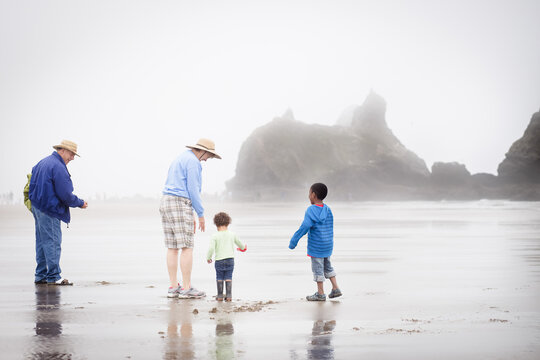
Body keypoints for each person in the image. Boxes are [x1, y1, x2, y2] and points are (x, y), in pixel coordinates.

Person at [160, 138, 221, 298]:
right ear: (202, 151)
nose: (208, 159)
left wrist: (191, 212)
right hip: (180, 203)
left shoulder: (181, 157)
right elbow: (193, 189)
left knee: (172, 247)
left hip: (166, 202)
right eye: (209, 155)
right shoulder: (194, 162)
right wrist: (200, 214)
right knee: (187, 247)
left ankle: (174, 287)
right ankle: (186, 288)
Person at [29, 140, 88, 285]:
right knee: (52, 242)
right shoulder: (58, 167)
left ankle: (40, 275)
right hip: (50, 209)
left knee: (42, 242)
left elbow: (30, 184)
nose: (73, 158)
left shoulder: (42, 163)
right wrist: (80, 203)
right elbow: (65, 195)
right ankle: (54, 277)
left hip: (38, 207)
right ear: (62, 150)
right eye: (72, 154)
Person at [289, 183, 342, 301]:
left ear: (313, 195)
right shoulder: (328, 209)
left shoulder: (311, 210)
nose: (308, 196)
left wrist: (294, 241)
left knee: (318, 269)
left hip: (317, 246)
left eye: (309, 193)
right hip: (327, 245)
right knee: (328, 267)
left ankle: (320, 293)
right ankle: (335, 288)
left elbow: (305, 226)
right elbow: (330, 225)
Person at [206, 212, 247, 301]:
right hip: (230, 260)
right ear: (228, 223)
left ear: (216, 224)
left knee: (219, 277)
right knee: (228, 276)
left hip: (219, 260)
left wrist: (208, 257)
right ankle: (229, 296)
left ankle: (220, 296)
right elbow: (240, 244)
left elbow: (211, 249)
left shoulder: (214, 236)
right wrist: (243, 248)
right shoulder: (232, 234)